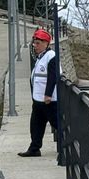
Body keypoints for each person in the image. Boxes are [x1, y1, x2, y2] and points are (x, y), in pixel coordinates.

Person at [19, 29, 60, 158]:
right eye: (34, 43)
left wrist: (48, 95)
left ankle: (76, 146)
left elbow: (53, 77)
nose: (34, 46)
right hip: (38, 99)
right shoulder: (41, 56)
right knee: (36, 125)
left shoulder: (51, 56)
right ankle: (34, 148)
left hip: (49, 100)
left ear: (45, 43)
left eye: (37, 43)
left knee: (58, 124)